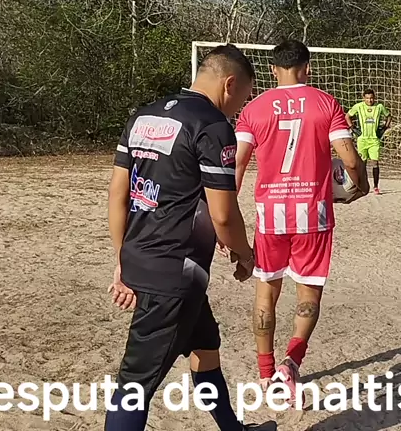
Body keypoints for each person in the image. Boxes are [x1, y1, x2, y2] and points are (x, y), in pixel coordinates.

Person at [105, 44, 276, 431]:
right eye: (244, 97)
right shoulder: (213, 127)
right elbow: (223, 213)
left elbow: (117, 195)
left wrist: (123, 259)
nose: (239, 108)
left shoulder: (143, 116)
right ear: (229, 84)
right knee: (134, 386)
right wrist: (245, 253)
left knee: (205, 349)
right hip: (174, 274)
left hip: (154, 262)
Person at [233, 39, 369, 404]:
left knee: (266, 292)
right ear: (307, 68)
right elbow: (349, 160)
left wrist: (226, 214)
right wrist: (360, 184)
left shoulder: (254, 109)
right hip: (314, 215)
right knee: (308, 294)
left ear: (273, 70)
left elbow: (238, 164)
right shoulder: (326, 103)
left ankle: (265, 375)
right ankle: (291, 362)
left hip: (270, 217)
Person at [346, 88, 390, 194]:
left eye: (371, 98)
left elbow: (388, 116)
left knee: (375, 162)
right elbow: (347, 116)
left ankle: (376, 187)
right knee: (362, 164)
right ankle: (362, 185)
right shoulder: (358, 106)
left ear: (374, 98)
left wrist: (384, 128)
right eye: (367, 98)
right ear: (363, 98)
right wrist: (353, 128)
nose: (369, 100)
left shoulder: (379, 107)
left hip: (374, 140)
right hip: (362, 140)